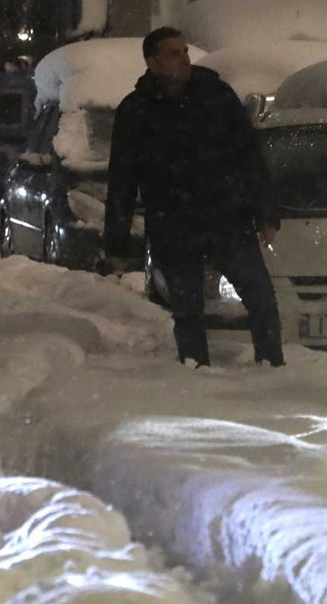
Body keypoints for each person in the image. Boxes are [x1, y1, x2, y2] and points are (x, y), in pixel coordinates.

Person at [105, 27, 283, 368]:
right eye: (173, 53)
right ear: (152, 61)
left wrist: (266, 213)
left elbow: (249, 156)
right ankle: (195, 370)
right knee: (186, 309)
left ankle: (271, 364)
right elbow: (123, 179)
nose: (184, 59)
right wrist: (117, 243)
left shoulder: (214, 95)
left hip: (226, 218)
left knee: (260, 298)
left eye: (185, 51)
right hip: (174, 225)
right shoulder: (137, 110)